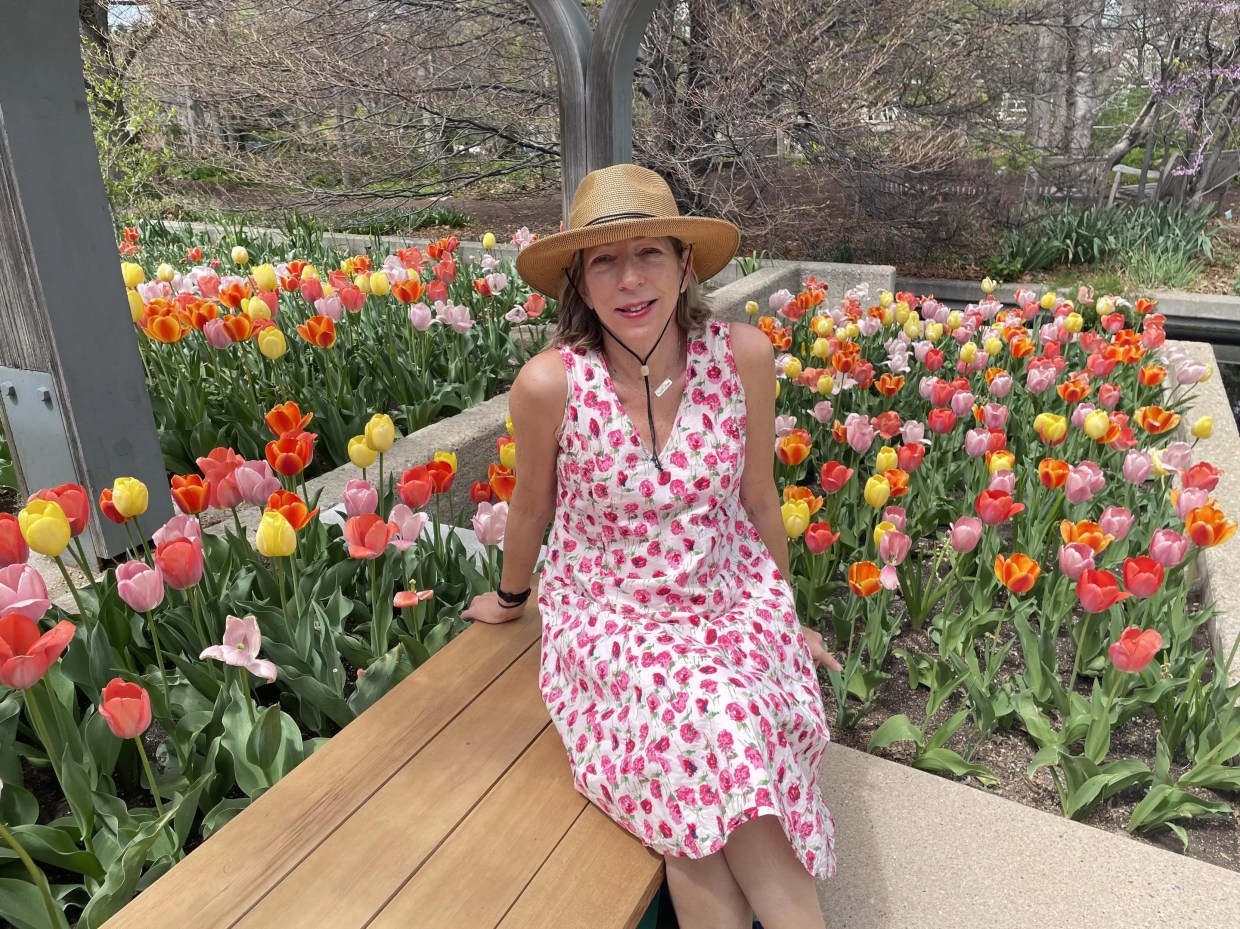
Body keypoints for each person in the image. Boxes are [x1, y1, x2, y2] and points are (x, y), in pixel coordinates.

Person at [462, 164, 840, 929]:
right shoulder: (551, 384)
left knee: (728, 722)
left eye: (650, 255)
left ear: (686, 263)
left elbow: (759, 496)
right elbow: (531, 504)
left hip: (729, 592)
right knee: (714, 713)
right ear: (579, 277)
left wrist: (786, 614)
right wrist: (509, 599)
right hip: (613, 614)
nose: (629, 280)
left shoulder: (741, 357)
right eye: (605, 259)